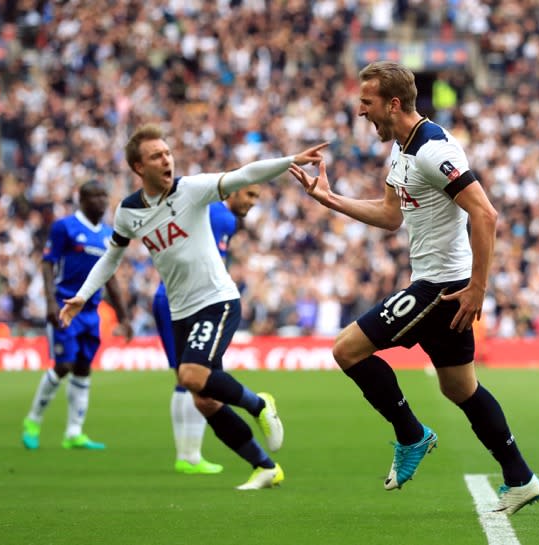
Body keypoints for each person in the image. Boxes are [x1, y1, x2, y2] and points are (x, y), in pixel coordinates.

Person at [289, 61, 539, 514]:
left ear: (392, 103)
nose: (360, 111)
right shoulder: (402, 148)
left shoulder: (432, 149)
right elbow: (391, 217)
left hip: (442, 287)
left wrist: (478, 287)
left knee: (347, 349)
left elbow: (485, 214)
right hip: (438, 282)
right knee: (460, 389)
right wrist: (330, 200)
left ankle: (411, 435)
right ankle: (520, 477)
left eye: (366, 102)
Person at [59, 124, 327, 489]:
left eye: (168, 153)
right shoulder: (128, 212)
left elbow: (245, 174)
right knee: (203, 400)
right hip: (180, 312)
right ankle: (265, 467)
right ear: (139, 168)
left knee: (190, 377)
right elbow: (111, 256)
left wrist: (290, 161)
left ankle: (259, 405)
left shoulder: (192, 190)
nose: (167, 159)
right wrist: (84, 294)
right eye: (157, 156)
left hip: (217, 302)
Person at [153, 184, 261, 475]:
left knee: (186, 378)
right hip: (191, 302)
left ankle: (187, 455)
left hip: (170, 298)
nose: (252, 203)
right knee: (199, 378)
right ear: (232, 191)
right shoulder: (219, 215)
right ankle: (192, 455)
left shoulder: (215, 214)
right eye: (249, 195)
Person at [22, 180, 133, 451]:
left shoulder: (109, 234)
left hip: (91, 311)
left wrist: (123, 317)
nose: (101, 201)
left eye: (104, 196)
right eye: (95, 196)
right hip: (64, 305)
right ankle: (33, 420)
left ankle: (74, 432)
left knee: (83, 367)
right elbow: (48, 264)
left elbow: (111, 280)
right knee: (63, 365)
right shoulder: (65, 227)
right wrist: (49, 302)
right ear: (82, 200)